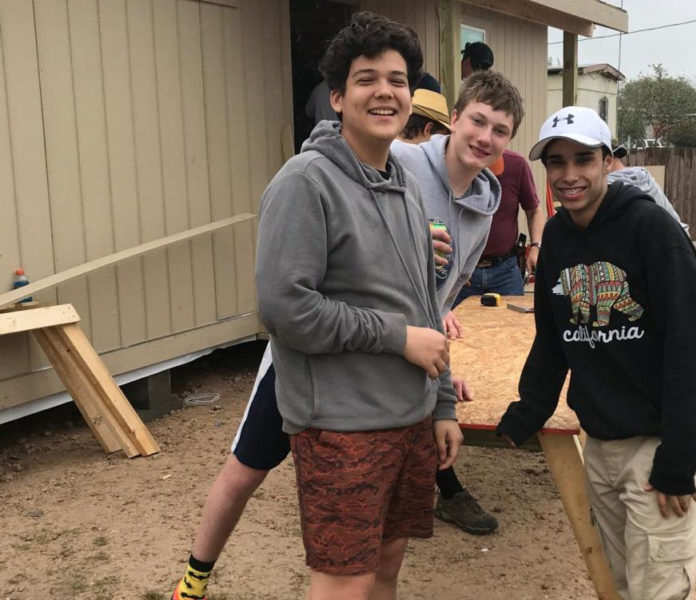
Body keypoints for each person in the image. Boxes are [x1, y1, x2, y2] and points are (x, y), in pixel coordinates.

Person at [171, 13, 463, 600]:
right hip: (342, 427)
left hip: (407, 420)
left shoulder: (405, 190)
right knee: (344, 582)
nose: (385, 91)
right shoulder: (305, 182)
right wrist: (395, 337)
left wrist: (442, 402)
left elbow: (424, 305)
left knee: (386, 568)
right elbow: (284, 307)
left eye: (398, 79)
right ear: (336, 97)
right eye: (366, 79)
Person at [497, 106, 696, 600]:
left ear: (606, 161)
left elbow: (692, 346)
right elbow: (553, 337)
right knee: (618, 582)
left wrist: (678, 459)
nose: (570, 175)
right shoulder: (555, 236)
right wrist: (529, 410)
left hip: (655, 444)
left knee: (658, 587)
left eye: (583, 159)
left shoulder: (650, 229)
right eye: (556, 163)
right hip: (599, 443)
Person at [392, 70, 524, 534]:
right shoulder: (400, 159)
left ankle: (444, 493)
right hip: (349, 336)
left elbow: (439, 301)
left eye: (500, 130)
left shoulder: (483, 206)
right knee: (250, 460)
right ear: (453, 119)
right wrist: (409, 238)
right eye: (477, 121)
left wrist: (443, 378)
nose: (485, 137)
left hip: (406, 349)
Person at [454, 148, 544, 303]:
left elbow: (534, 211)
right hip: (463, 271)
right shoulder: (451, 165)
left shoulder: (516, 165)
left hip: (506, 271)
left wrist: (536, 247)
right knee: (457, 325)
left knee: (514, 325)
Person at [608, 144, 689, 233]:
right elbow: (679, 227)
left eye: (590, 160)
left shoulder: (607, 191)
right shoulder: (648, 182)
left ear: (608, 161)